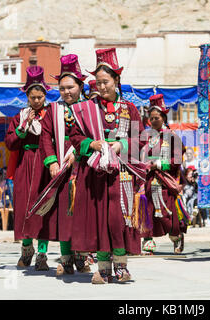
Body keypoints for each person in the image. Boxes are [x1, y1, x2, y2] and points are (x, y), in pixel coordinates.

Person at [68, 48, 144, 284]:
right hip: (95, 173)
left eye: (105, 82)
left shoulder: (129, 109)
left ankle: (121, 266)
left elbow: (140, 137)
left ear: (116, 80)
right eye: (97, 82)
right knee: (99, 218)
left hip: (120, 173)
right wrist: (92, 144)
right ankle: (102, 267)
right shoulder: (87, 109)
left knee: (118, 218)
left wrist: (122, 144)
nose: (101, 87)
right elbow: (75, 136)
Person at [37, 54, 90, 276]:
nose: (66, 92)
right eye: (62, 88)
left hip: (85, 169)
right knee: (65, 215)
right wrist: (51, 162)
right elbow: (45, 137)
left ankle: (82, 255)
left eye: (70, 87)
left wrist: (78, 154)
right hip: (61, 172)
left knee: (84, 215)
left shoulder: (90, 108)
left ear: (80, 85)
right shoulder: (53, 110)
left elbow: (94, 135)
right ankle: (66, 258)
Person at [4, 66, 53, 271]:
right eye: (32, 97)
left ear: (45, 95)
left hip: (44, 164)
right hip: (25, 164)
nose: (36, 101)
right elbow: (9, 142)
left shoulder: (51, 114)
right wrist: (22, 129)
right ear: (27, 96)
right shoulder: (20, 116)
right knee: (24, 207)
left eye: (40, 97)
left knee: (44, 208)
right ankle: (26, 249)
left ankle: (42, 254)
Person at [140, 94, 186, 256]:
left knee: (167, 213)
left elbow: (178, 159)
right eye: (151, 118)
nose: (153, 121)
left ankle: (176, 237)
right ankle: (147, 241)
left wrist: (159, 164)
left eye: (156, 117)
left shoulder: (172, 136)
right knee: (148, 211)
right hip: (148, 181)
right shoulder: (146, 136)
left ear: (164, 117)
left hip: (166, 181)